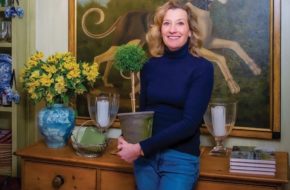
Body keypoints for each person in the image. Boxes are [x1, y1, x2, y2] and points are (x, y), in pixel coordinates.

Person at [117, 0, 214, 189]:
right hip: (145, 160)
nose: (172, 29)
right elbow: (143, 113)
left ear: (190, 31)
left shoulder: (202, 68)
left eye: (180, 23)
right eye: (167, 23)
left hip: (180, 159)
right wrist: (126, 137)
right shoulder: (149, 66)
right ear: (160, 30)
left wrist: (139, 148)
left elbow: (189, 124)